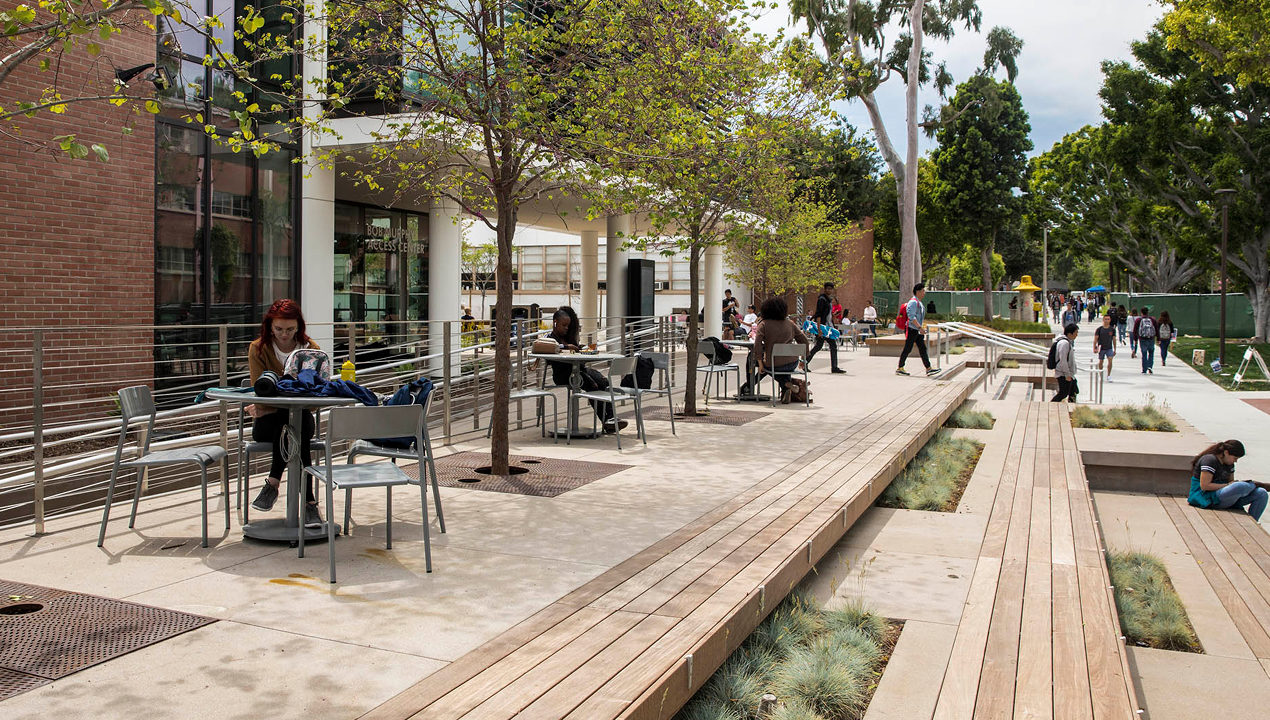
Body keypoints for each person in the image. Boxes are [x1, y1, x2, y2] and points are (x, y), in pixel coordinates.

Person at [247, 299, 323, 528]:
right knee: (295, 430)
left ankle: (272, 483)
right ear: (270, 326)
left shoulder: (311, 350)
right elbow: (260, 390)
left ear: (299, 326)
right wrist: (277, 405)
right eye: (278, 329)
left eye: (290, 329)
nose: (284, 334)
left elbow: (314, 402)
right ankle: (310, 504)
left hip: (291, 418)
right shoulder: (258, 348)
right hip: (268, 426)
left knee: (294, 425)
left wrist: (269, 406)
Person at [547, 307, 627, 433]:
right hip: (565, 374)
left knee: (603, 382)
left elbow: (574, 352)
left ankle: (611, 418)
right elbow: (549, 348)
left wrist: (580, 348)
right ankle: (606, 420)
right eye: (564, 325)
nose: (566, 328)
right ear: (555, 322)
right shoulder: (550, 339)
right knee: (592, 385)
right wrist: (566, 347)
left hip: (579, 370)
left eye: (568, 326)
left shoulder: (568, 338)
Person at [1188, 439, 1267, 521]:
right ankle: (1255, 484)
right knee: (1240, 486)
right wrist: (1228, 485)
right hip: (1205, 498)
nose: (1236, 461)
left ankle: (1253, 522)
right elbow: (1205, 486)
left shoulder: (1229, 464)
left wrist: (1231, 485)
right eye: (1235, 458)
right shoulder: (1209, 460)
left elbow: (1231, 483)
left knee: (1262, 493)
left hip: (1222, 497)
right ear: (1226, 453)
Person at [753, 297, 809, 403]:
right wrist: (803, 359)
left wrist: (760, 363)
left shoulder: (764, 324)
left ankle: (749, 386)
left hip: (773, 363)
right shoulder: (790, 323)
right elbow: (804, 341)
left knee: (761, 365)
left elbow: (757, 345)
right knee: (783, 367)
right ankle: (786, 388)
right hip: (792, 362)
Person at [896, 282, 940, 377]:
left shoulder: (918, 302)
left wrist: (920, 328)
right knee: (908, 348)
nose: (924, 292)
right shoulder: (913, 302)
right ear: (918, 292)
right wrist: (919, 327)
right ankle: (900, 368)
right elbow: (911, 317)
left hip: (916, 330)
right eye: (923, 290)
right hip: (912, 329)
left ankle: (928, 368)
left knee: (922, 348)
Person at [806, 282, 844, 374]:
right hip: (823, 327)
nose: (829, 290)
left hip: (828, 327)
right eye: (827, 288)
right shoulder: (822, 299)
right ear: (824, 289)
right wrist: (819, 329)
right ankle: (804, 363)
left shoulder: (828, 300)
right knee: (822, 346)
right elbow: (818, 314)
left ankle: (804, 363)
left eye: (831, 288)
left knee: (822, 346)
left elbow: (828, 314)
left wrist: (833, 324)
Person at [1052, 322, 1080, 403]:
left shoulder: (1067, 342)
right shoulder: (1064, 343)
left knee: (1074, 390)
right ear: (1070, 333)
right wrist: (1067, 374)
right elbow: (1063, 360)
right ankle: (1051, 404)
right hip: (1063, 374)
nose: (1076, 335)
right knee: (1063, 393)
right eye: (1076, 333)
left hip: (1068, 373)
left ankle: (1072, 406)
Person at [1093, 313, 1116, 383]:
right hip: (1101, 348)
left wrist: (1115, 349)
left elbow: (1114, 339)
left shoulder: (1112, 329)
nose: (1106, 320)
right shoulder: (1099, 329)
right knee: (1101, 362)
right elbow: (1095, 339)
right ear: (1103, 320)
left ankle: (1109, 375)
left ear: (1110, 320)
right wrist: (1094, 348)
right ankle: (1100, 375)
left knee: (1110, 360)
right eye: (1105, 319)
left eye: (1108, 319)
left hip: (1109, 348)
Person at [1135, 307, 1157, 374]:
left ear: (1141, 312)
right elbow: (1156, 328)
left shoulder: (1138, 320)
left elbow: (1135, 330)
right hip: (1151, 338)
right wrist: (1158, 338)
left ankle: (1144, 369)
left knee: (1144, 354)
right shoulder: (1152, 319)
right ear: (1148, 312)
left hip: (1142, 339)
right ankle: (1150, 366)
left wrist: (1135, 339)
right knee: (1151, 353)